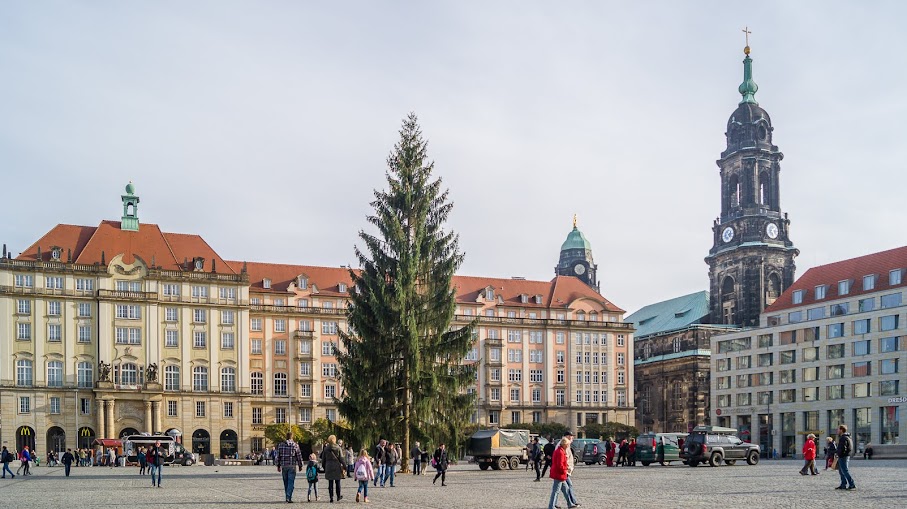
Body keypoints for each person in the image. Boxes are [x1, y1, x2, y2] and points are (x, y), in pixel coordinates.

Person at [276, 432, 304, 503]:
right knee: (291, 482)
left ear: (286, 437)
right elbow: (299, 456)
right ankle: (288, 497)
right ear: (292, 437)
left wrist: (278, 466)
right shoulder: (295, 445)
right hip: (292, 466)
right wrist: (300, 465)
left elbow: (278, 457)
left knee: (286, 482)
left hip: (284, 466)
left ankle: (287, 496)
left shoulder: (281, 445)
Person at [320, 434, 346, 503]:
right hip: (336, 466)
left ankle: (331, 497)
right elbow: (341, 458)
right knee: (338, 482)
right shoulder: (338, 448)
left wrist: (324, 467)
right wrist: (344, 466)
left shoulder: (326, 449)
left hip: (329, 466)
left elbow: (323, 459)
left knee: (330, 482)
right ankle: (338, 496)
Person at [547, 438, 572, 509]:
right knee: (556, 491)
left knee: (566, 489)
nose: (568, 446)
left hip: (560, 473)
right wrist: (566, 469)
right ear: (564, 444)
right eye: (567, 445)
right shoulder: (560, 452)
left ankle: (570, 503)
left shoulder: (559, 451)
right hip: (559, 474)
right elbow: (560, 465)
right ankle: (551, 506)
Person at [835, 425, 856, 490]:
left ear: (841, 430)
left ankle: (852, 484)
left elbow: (843, 448)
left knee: (844, 471)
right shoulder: (847, 437)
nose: (837, 431)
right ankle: (843, 484)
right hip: (845, 455)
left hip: (843, 456)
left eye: (838, 429)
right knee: (841, 471)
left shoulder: (843, 438)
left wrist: (839, 454)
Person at [563, 431, 579, 508]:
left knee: (558, 489)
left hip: (566, 470)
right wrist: (567, 467)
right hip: (564, 470)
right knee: (568, 486)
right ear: (566, 436)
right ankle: (572, 502)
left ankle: (572, 502)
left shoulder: (568, 445)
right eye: (571, 436)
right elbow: (564, 458)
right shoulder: (564, 445)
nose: (572, 437)